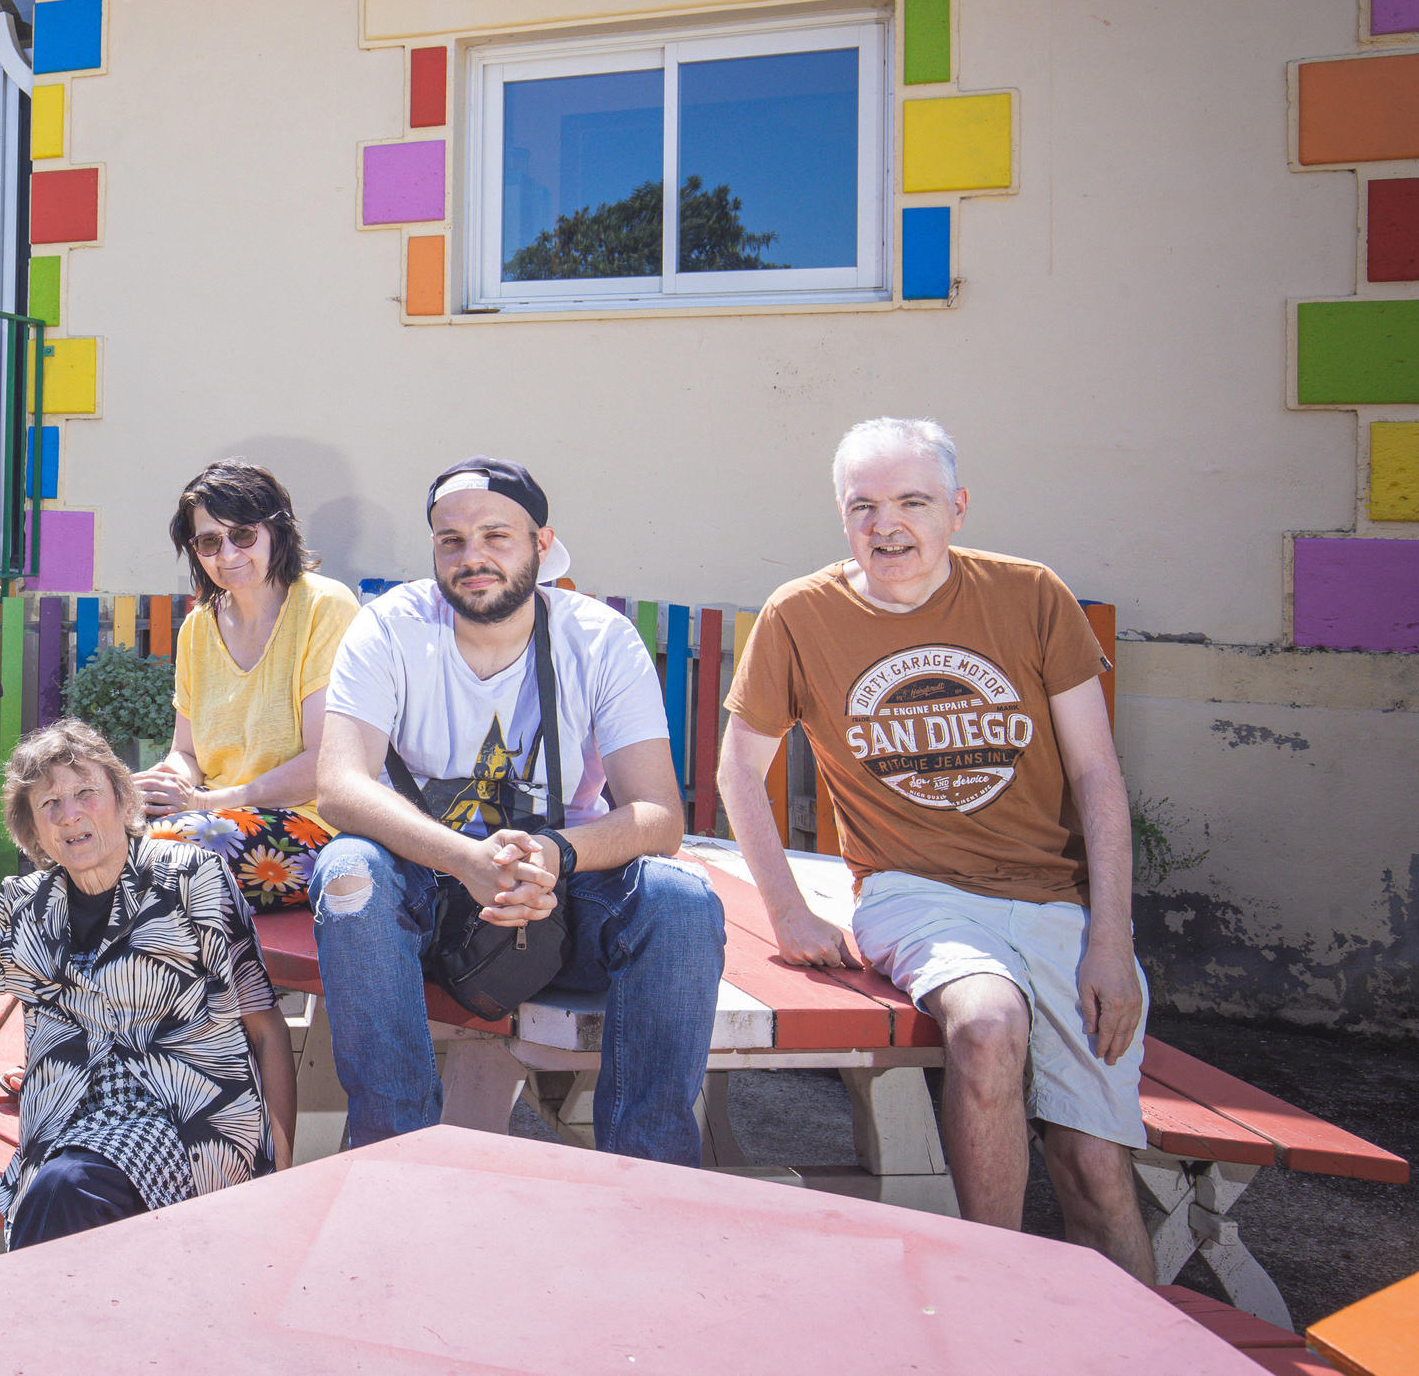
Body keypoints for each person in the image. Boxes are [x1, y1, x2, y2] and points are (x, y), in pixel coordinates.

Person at [717, 417, 1152, 1279]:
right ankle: (988, 1295)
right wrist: (788, 910)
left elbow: (1098, 775)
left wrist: (1112, 938)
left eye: (913, 501)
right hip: (916, 893)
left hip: (1057, 903)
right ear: (843, 518)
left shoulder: (1030, 596)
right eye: (864, 506)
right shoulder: (803, 615)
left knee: (1096, 1172)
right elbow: (740, 772)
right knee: (988, 1026)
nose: (888, 525)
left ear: (955, 508)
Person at [310, 456, 725, 1160]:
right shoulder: (389, 628)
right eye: (451, 541)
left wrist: (557, 854)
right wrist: (463, 859)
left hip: (558, 893)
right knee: (348, 873)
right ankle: (398, 1159)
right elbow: (340, 786)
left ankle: (651, 1179)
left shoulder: (598, 638)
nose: (473, 558)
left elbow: (659, 815)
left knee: (679, 899)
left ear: (541, 542)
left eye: (496, 536)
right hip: (426, 892)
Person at [0, 721, 292, 1248]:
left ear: (121, 798)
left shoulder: (191, 880)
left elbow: (266, 1028)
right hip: (68, 1129)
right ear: (34, 829)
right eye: (48, 804)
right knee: (66, 1198)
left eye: (85, 792)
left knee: (65, 1197)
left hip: (190, 1122)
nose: (69, 815)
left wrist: (282, 1171)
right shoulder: (24, 909)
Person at [136, 461, 358, 913]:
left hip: (311, 827)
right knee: (96, 833)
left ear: (278, 531)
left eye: (243, 534)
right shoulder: (198, 625)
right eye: (209, 542)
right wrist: (167, 786)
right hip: (209, 819)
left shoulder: (325, 607)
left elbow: (325, 762)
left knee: (161, 853)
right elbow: (188, 751)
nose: (228, 554)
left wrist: (208, 801)